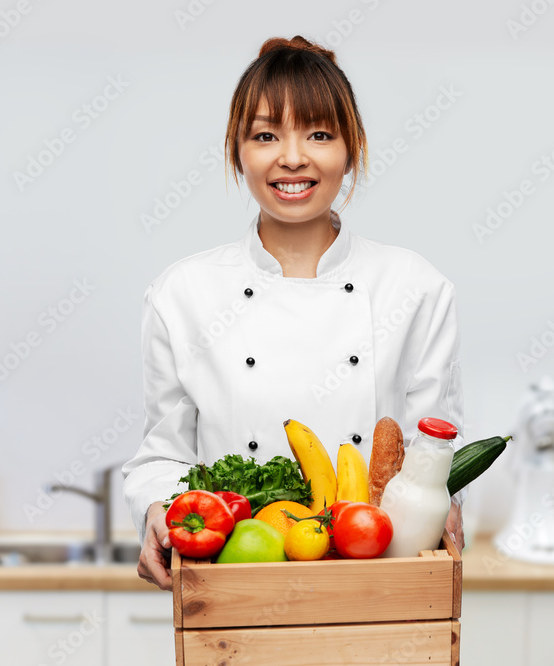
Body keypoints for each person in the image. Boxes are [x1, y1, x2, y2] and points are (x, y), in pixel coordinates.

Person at [123, 35, 466, 590]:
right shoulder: (181, 293)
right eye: (265, 135)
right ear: (238, 150)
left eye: (319, 134)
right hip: (235, 591)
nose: (292, 157)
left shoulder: (417, 287)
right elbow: (163, 456)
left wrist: (447, 505)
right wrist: (156, 511)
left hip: (378, 586)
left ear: (351, 148)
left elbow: (437, 456)